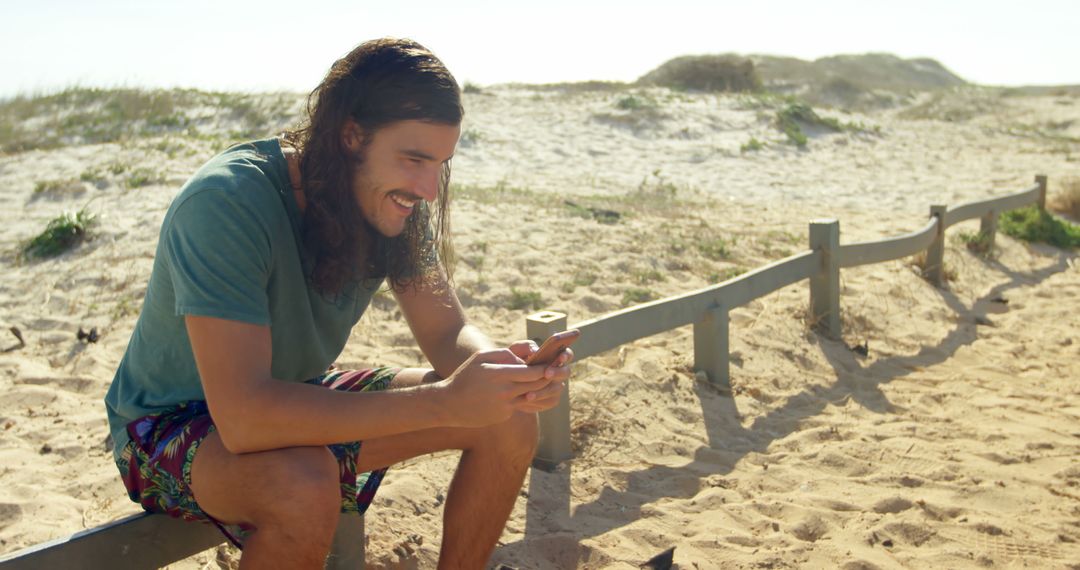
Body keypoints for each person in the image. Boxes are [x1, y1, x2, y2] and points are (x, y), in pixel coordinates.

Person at [103, 37, 572, 569]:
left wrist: (507, 374)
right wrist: (445, 399)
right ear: (351, 135)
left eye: (439, 164)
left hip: (290, 396)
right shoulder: (226, 203)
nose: (428, 189)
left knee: (506, 419)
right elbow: (244, 418)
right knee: (303, 485)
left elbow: (446, 333)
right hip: (167, 426)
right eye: (414, 159)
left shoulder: (390, 200)